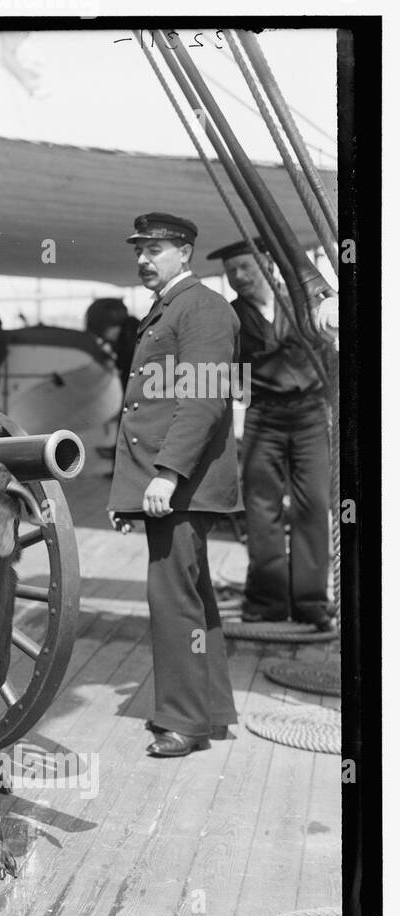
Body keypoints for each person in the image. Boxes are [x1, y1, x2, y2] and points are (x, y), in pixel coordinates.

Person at [109, 213, 242, 759]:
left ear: (185, 253)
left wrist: (166, 475)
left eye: (157, 249)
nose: (144, 259)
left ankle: (184, 722)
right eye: (140, 249)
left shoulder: (203, 308)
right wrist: (131, 491)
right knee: (192, 595)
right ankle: (207, 710)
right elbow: (150, 404)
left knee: (172, 598)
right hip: (170, 481)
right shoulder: (172, 306)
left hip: (182, 483)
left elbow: (204, 400)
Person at [207, 238, 334, 629]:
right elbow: (227, 378)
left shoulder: (304, 304)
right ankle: (266, 602)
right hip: (264, 417)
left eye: (246, 268)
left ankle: (312, 602)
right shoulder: (229, 318)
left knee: (313, 506)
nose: (239, 278)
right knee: (262, 510)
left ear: (267, 264)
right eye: (232, 273)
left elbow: (332, 354)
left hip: (312, 416)